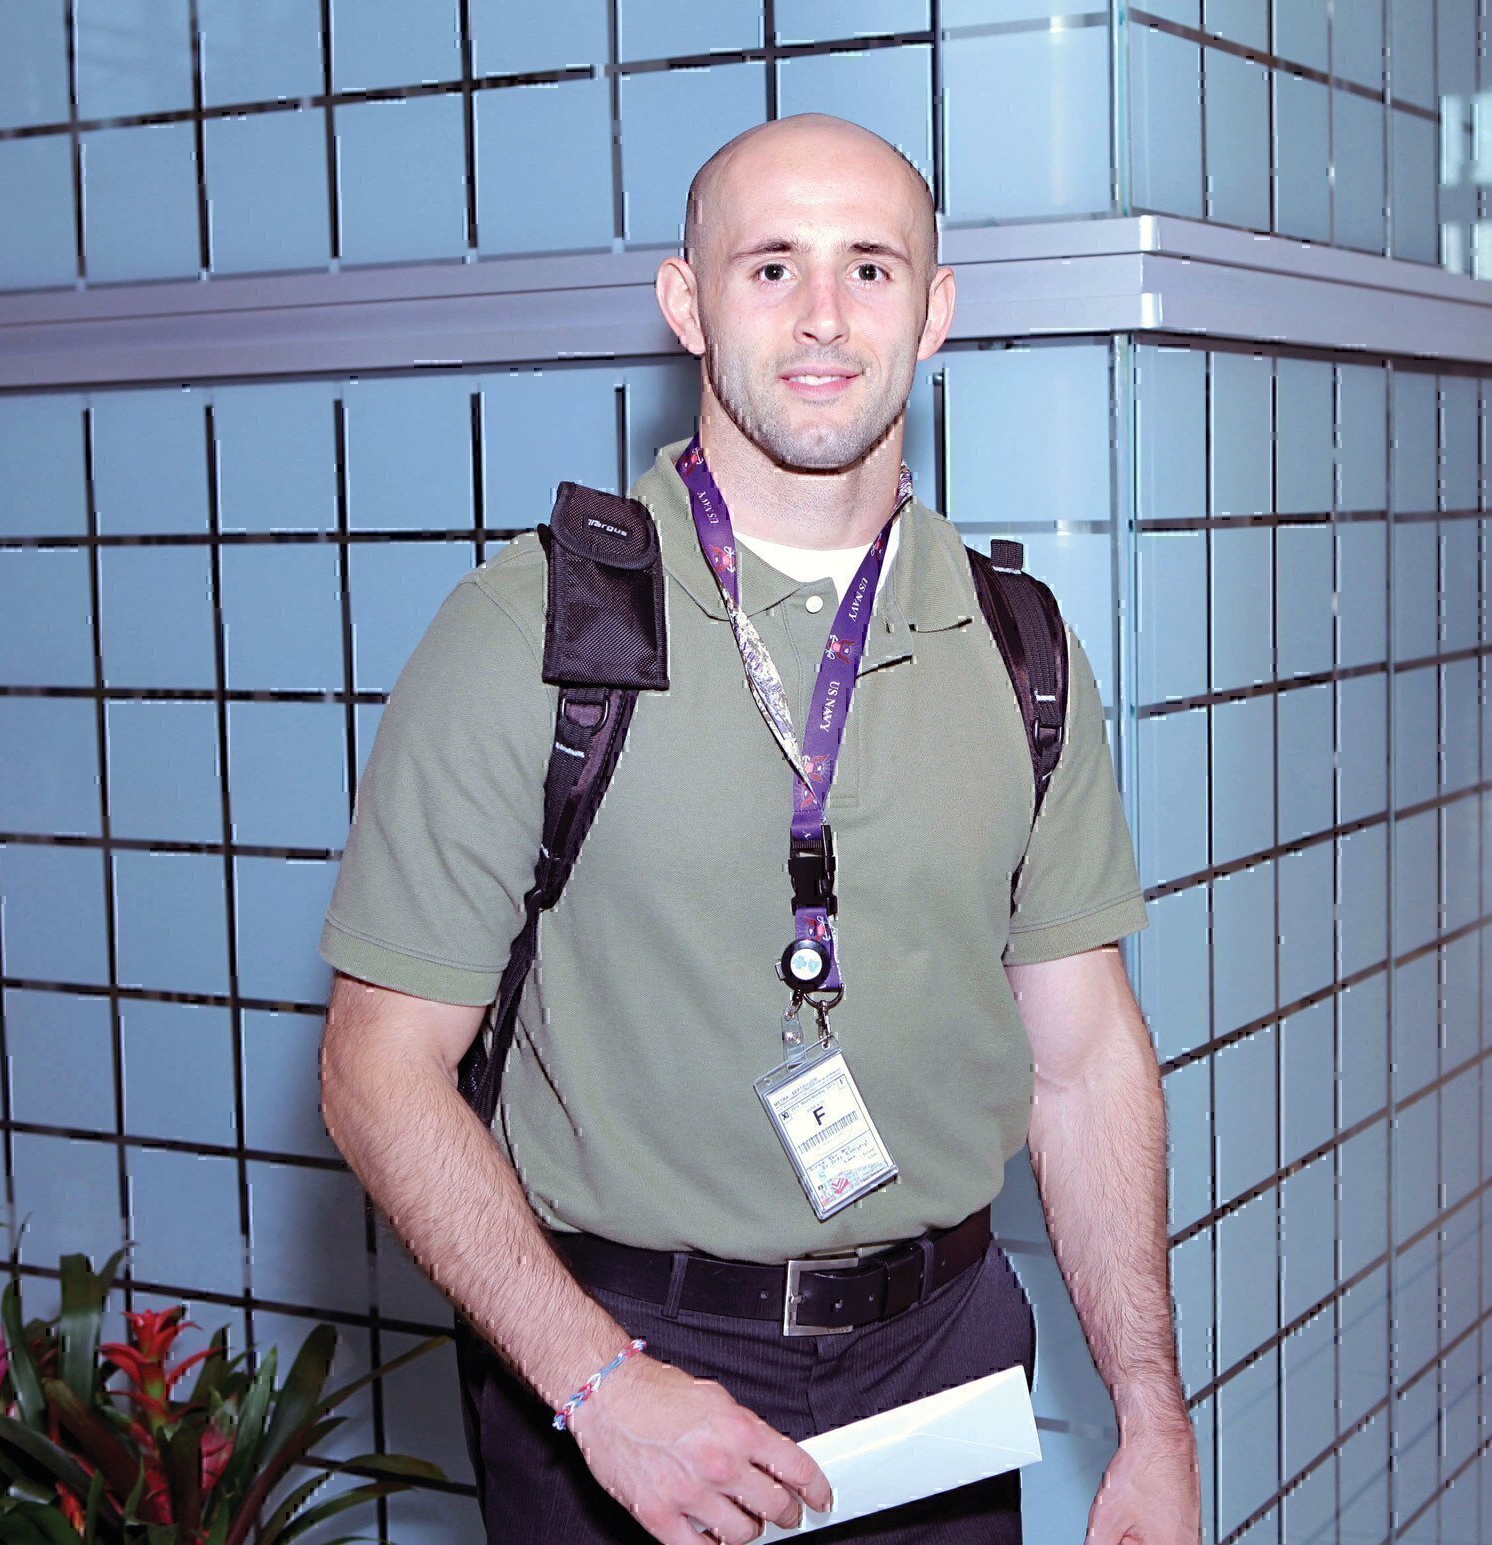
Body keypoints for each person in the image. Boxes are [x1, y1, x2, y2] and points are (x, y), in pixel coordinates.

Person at [316, 112, 1200, 1544]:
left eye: (870, 267)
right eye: (771, 266)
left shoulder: (1018, 646)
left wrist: (1151, 1419)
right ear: (687, 303)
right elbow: (376, 1067)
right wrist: (599, 1385)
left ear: (935, 310)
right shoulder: (529, 635)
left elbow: (1086, 1060)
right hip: (628, 1376)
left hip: (938, 1370)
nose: (824, 316)